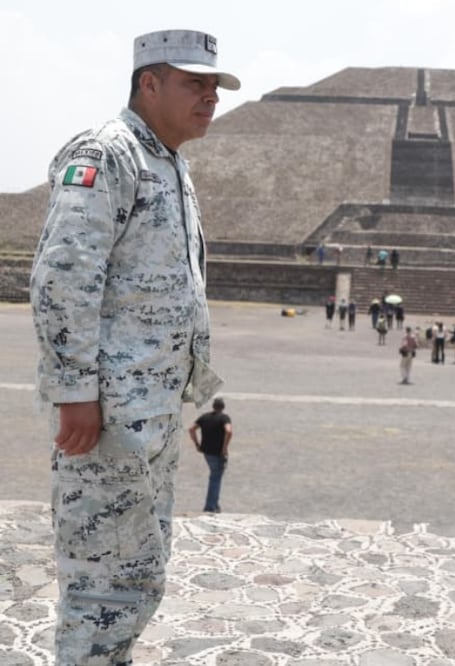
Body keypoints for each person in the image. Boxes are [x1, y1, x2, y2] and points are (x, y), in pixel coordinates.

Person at [28, 29, 238, 665]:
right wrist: (74, 395)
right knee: (101, 584)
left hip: (150, 413)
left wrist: (195, 388)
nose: (209, 98)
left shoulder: (169, 165)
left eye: (213, 87)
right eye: (192, 84)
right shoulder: (109, 153)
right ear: (148, 83)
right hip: (110, 418)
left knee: (139, 571)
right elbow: (63, 276)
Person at [188, 397, 232, 513]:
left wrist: (197, 444)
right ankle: (211, 506)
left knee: (214, 476)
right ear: (223, 407)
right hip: (218, 452)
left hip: (206, 451)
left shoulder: (204, 417)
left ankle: (214, 504)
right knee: (215, 478)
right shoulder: (224, 418)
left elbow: (191, 429)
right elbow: (228, 431)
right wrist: (225, 447)